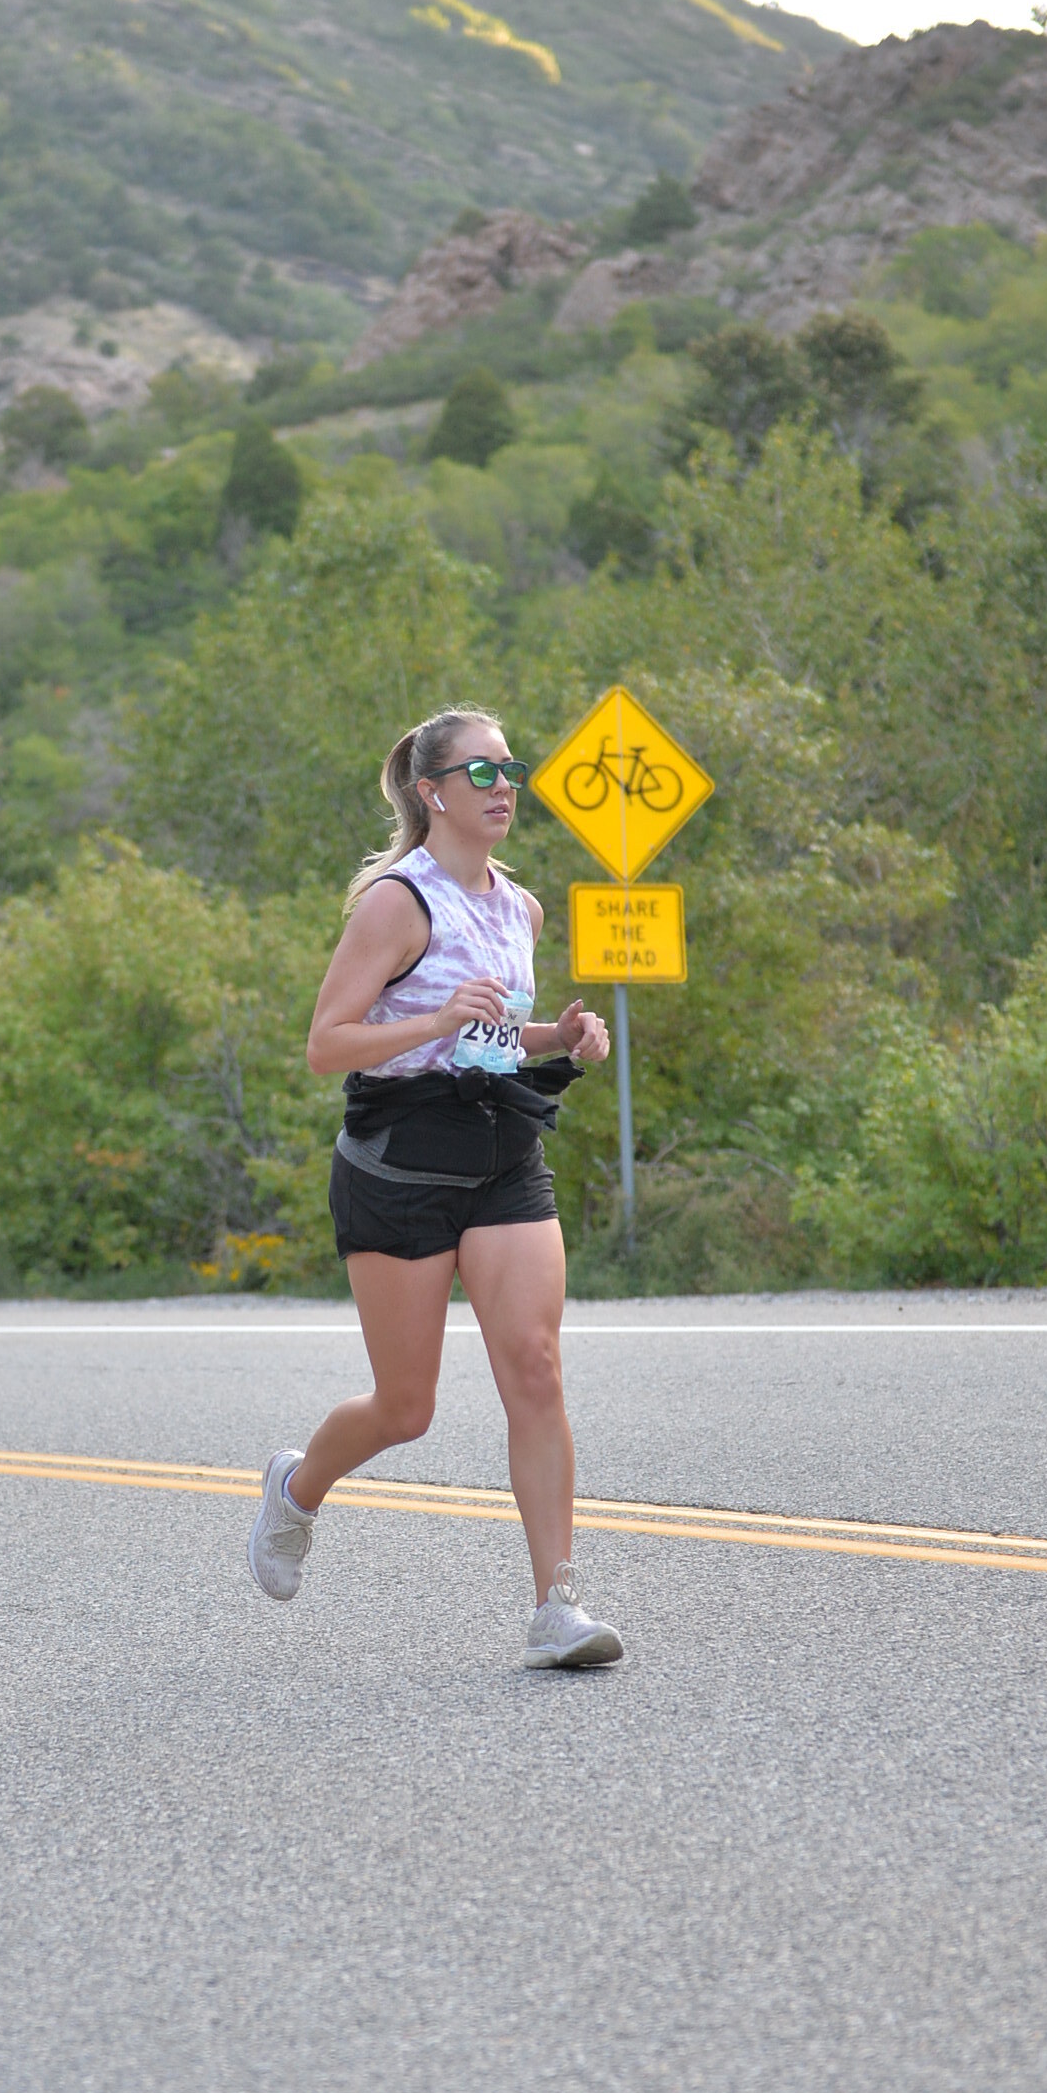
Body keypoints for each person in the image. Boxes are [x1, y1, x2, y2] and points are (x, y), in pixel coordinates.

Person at [246, 704, 624, 1670]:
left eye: (512, 771)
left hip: (500, 1151)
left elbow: (487, 1034)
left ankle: (558, 1607)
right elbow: (327, 1044)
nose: (505, 789)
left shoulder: (520, 907)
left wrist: (557, 1036)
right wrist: (437, 1020)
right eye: (482, 773)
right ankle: (297, 1488)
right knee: (405, 1408)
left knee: (535, 1369)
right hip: (399, 1160)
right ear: (433, 792)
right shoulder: (396, 903)